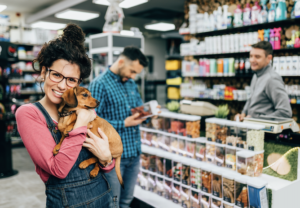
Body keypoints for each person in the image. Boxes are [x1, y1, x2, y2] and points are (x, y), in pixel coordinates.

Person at [16, 24, 117, 208]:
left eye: (71, 80)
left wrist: (107, 159)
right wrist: (81, 123)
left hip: (104, 195)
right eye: (56, 75)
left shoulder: (82, 108)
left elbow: (106, 160)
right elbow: (58, 169)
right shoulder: (30, 113)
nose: (62, 86)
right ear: (44, 72)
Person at [89, 46, 149, 208]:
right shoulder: (99, 84)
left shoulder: (131, 84)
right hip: (114, 158)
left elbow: (138, 108)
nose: (133, 76)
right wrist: (124, 123)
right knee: (112, 204)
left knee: (126, 201)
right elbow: (92, 122)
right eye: (132, 71)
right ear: (121, 61)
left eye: (136, 73)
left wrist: (148, 114)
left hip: (134, 154)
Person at [235, 41, 292, 121]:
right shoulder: (256, 75)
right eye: (251, 56)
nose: (252, 60)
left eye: (257, 57)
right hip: (253, 130)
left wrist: (256, 119)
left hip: (265, 132)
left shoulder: (272, 79)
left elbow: (285, 112)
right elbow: (252, 98)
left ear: (269, 58)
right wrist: (243, 113)